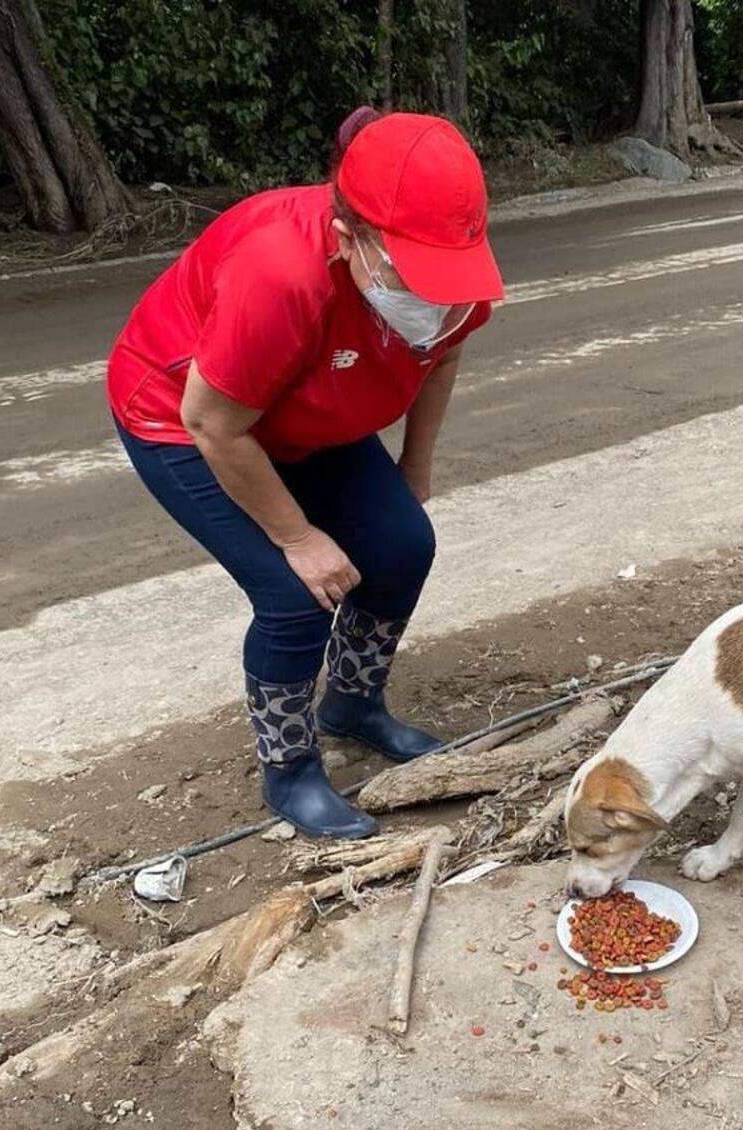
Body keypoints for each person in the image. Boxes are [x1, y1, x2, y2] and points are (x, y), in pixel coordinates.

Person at [106, 108, 503, 839]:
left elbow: (443, 355)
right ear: (350, 234)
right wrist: (297, 536)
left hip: (307, 413)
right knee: (296, 596)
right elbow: (214, 423)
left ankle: (353, 705)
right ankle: (289, 769)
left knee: (403, 545)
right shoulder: (280, 273)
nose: (435, 296)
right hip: (188, 420)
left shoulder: (455, 265)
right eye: (411, 272)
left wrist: (414, 470)